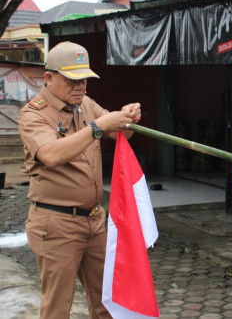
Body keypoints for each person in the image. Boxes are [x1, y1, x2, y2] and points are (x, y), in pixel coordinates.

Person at [18, 41, 141, 318]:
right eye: (72, 79)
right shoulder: (34, 114)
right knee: (57, 308)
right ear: (49, 78)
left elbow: (117, 131)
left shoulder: (85, 103)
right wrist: (99, 127)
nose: (80, 87)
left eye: (84, 79)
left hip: (94, 221)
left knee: (107, 303)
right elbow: (50, 154)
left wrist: (127, 118)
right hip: (56, 224)